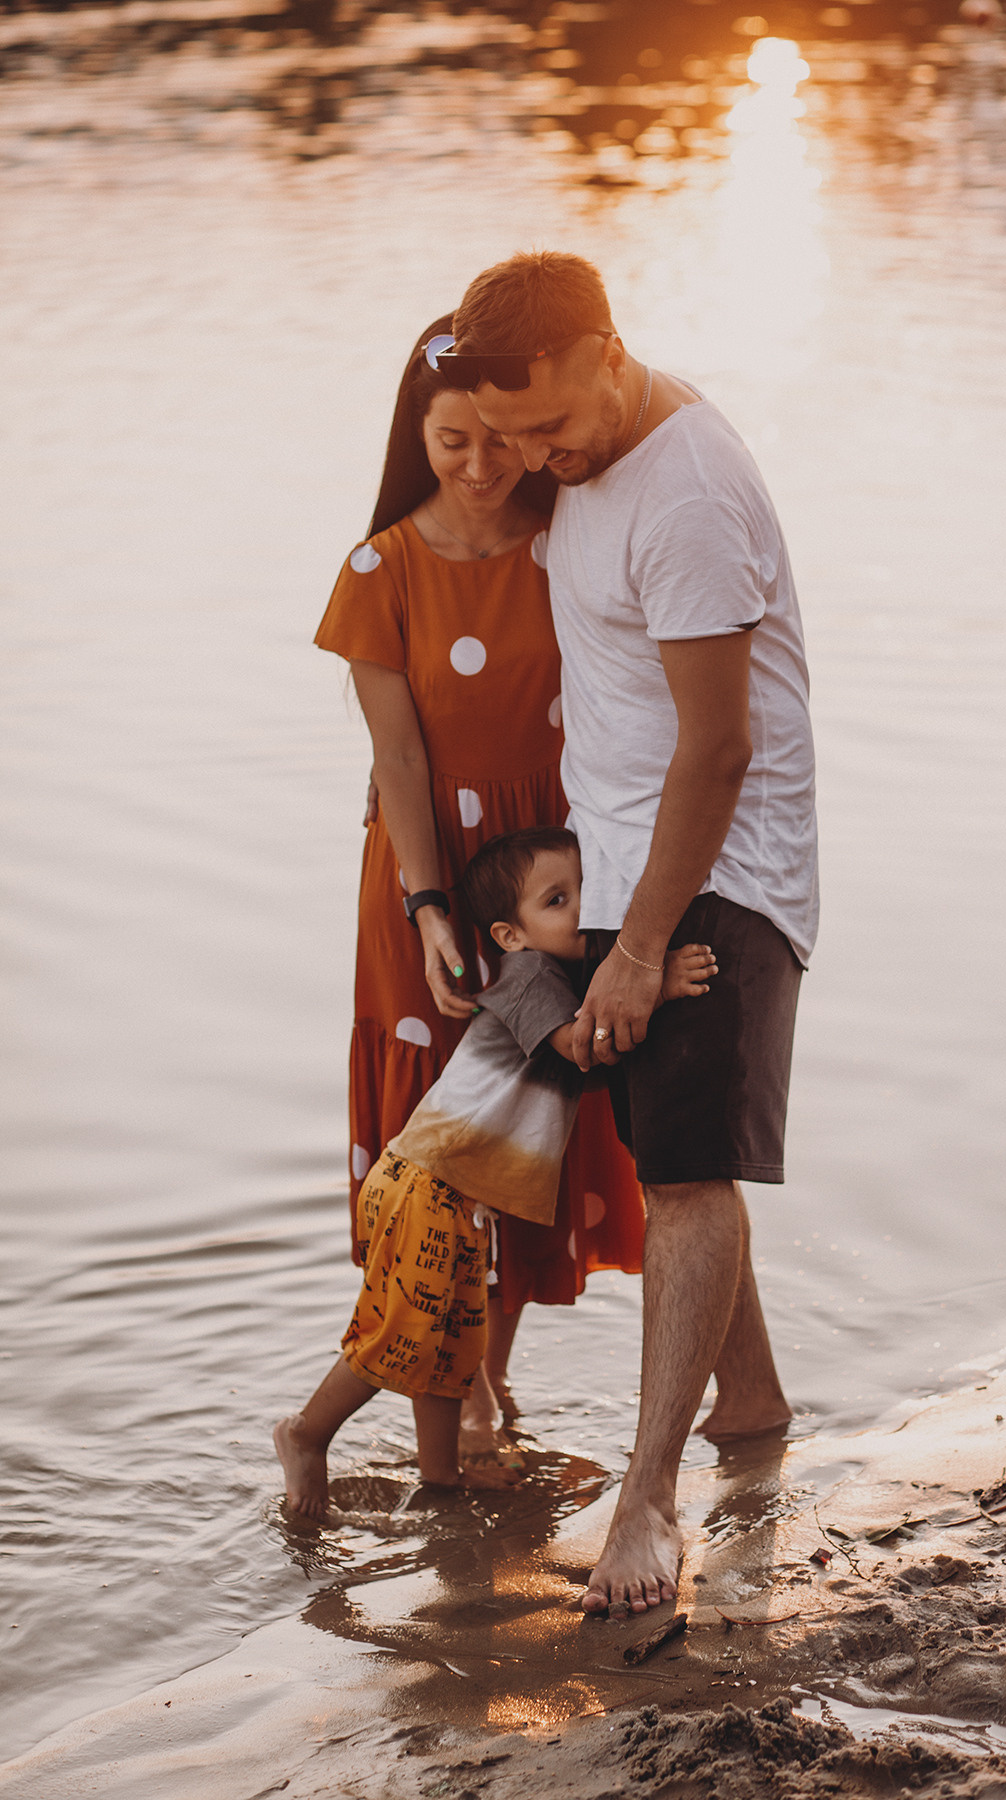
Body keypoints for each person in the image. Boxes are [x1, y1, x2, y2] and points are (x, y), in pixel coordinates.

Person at [443, 252, 819, 1616]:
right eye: (514, 433)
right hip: (627, 869)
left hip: (717, 871)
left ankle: (652, 1498)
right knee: (675, 1146)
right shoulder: (589, 453)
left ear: (609, 347)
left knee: (685, 1183)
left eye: (545, 425)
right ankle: (753, 1401)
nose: (536, 456)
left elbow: (718, 749)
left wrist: (646, 945)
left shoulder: (688, 488)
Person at [312, 312, 646, 1445]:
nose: (479, 464)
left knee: (532, 1129)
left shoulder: (568, 541)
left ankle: (487, 1382)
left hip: (549, 877)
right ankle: (437, 1421)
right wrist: (429, 908)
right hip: (431, 878)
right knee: (437, 1154)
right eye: (452, 440)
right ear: (419, 434)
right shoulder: (380, 568)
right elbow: (398, 757)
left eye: (497, 440)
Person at [273, 827, 715, 1514]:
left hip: (459, 1198)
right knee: (403, 1335)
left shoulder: (567, 980)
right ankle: (306, 1434)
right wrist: (656, 988)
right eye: (557, 899)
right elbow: (578, 1046)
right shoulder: (530, 980)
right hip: (427, 1180)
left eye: (584, 891)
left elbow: (583, 1066)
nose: (579, 908)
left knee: (450, 1350)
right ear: (511, 935)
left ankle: (441, 1483)